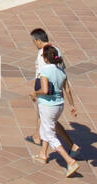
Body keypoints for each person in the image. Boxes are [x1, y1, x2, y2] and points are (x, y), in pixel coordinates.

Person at [31, 44, 80, 177]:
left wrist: (35, 93)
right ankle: (43, 155)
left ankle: (70, 161)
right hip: (59, 105)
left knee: (51, 135)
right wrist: (72, 105)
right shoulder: (61, 72)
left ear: (46, 58)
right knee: (48, 128)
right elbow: (67, 90)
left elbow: (45, 90)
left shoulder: (45, 71)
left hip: (48, 106)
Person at [28, 29, 74, 153]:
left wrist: (36, 92)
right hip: (58, 90)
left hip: (46, 92)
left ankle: (71, 147)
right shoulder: (56, 50)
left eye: (33, 41)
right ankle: (38, 138)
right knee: (45, 118)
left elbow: (43, 75)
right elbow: (62, 69)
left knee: (48, 121)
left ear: (38, 40)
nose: (34, 44)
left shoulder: (42, 54)